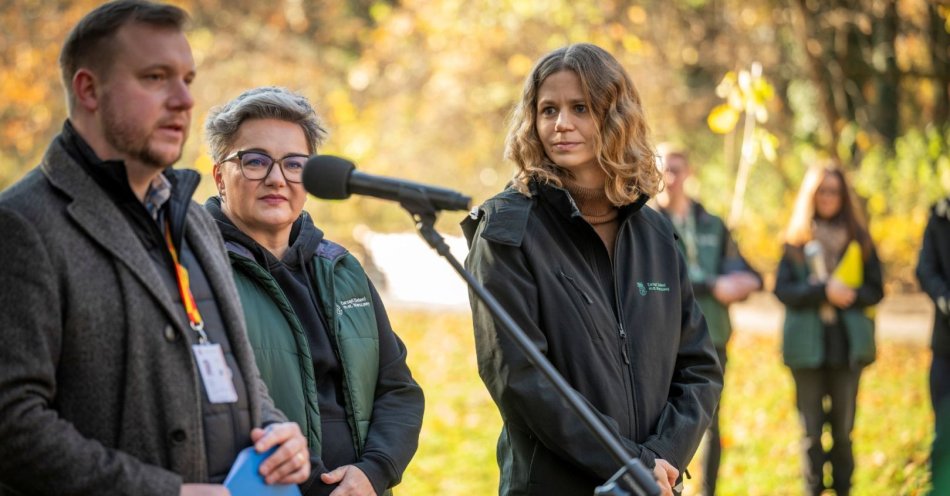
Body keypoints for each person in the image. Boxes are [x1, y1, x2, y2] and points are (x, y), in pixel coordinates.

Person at [0, 2, 309, 495]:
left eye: (187, 78)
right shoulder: (23, 226)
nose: (184, 100)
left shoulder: (192, 222)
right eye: (155, 77)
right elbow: (12, 424)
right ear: (88, 89)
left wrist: (277, 430)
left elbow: (232, 367)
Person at [462, 43, 723, 496]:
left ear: (615, 114)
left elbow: (698, 364)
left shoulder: (655, 232)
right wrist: (630, 463)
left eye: (580, 108)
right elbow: (519, 377)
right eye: (548, 110)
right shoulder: (506, 230)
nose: (561, 124)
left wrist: (664, 457)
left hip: (657, 483)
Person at [204, 86, 425, 496]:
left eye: (294, 164)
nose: (276, 178)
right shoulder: (195, 272)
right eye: (254, 161)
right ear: (220, 175)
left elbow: (398, 389)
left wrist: (374, 472)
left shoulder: (342, 269)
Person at [654, 144, 761, 496]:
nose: (671, 178)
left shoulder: (712, 223)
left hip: (712, 335)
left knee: (711, 420)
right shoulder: (649, 224)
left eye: (677, 169)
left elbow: (748, 272)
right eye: (665, 170)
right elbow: (667, 279)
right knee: (666, 418)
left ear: (689, 173)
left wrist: (746, 282)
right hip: (663, 338)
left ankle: (708, 491)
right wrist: (714, 284)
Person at [774, 164, 883, 496]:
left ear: (844, 196)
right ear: (811, 195)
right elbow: (783, 291)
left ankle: (844, 490)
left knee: (842, 431)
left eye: (834, 190)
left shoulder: (860, 240)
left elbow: (876, 290)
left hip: (846, 347)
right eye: (822, 190)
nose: (828, 197)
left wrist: (845, 294)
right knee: (810, 434)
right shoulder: (794, 242)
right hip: (805, 349)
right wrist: (822, 292)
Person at [917, 195, 950, 494]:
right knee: (944, 432)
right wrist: (945, 299)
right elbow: (925, 269)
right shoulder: (940, 216)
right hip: (946, 346)